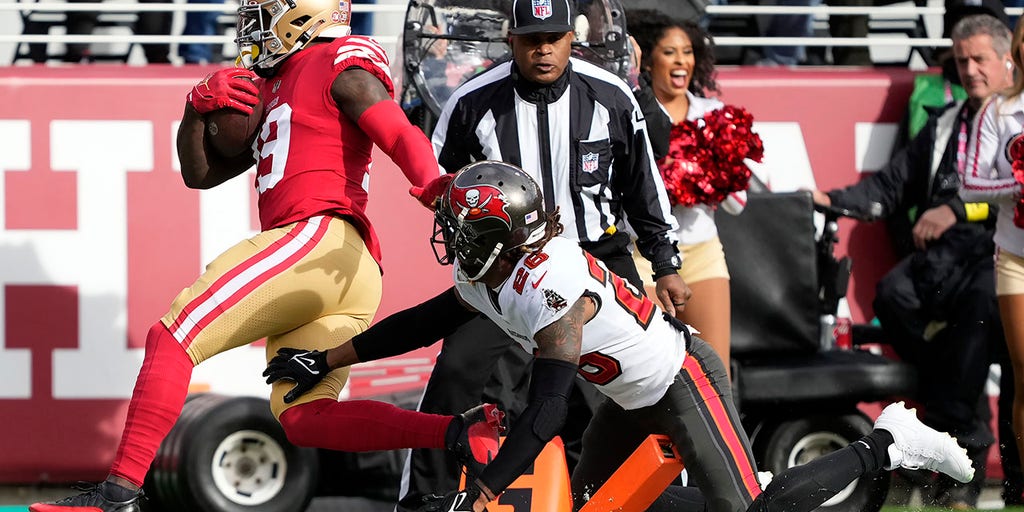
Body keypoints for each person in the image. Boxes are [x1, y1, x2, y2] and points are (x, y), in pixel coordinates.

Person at [265, 161, 976, 512]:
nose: (449, 239)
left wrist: (487, 484)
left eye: (462, 229)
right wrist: (325, 358)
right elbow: (423, 322)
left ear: (501, 235)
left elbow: (546, 409)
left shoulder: (552, 283)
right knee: (596, 507)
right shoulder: (495, 270)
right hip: (625, 397)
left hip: (677, 380)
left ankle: (886, 443)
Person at [28, 0, 505, 510]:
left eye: (268, 10)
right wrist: (194, 111)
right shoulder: (275, 82)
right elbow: (200, 174)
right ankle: (458, 431)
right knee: (303, 417)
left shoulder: (337, 61)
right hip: (345, 268)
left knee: (171, 338)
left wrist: (433, 185)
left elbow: (395, 129)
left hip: (315, 238)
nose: (254, 23)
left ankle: (117, 496)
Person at [395, 0, 691, 508]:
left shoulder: (612, 96)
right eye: (532, 38)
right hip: (505, 267)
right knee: (456, 375)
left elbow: (643, 186)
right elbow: (443, 192)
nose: (543, 49)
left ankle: (661, 499)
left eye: (553, 37)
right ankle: (427, 498)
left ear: (573, 37)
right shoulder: (471, 103)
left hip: (596, 261)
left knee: (641, 384)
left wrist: (664, 264)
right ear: (510, 38)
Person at [809, 13, 1011, 508]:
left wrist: (957, 209)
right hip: (941, 263)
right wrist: (829, 197)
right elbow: (889, 187)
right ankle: (948, 395)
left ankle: (971, 475)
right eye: (961, 61)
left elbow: (1011, 193)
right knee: (893, 295)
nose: (969, 70)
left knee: (975, 319)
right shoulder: (946, 122)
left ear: (1008, 61)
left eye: (979, 59)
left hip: (997, 257)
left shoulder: (1017, 121)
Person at [627, 10, 744, 370]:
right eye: (670, 52)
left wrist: (708, 181)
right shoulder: (628, 109)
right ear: (647, 60)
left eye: (688, 51)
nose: (681, 61)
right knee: (652, 369)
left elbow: (739, 204)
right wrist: (661, 186)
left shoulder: (713, 115)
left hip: (702, 251)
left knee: (714, 372)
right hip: (641, 254)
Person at [961, 12, 1024, 507]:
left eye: (977, 58)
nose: (969, 68)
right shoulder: (998, 111)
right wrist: (1020, 185)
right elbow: (971, 184)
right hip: (1014, 256)